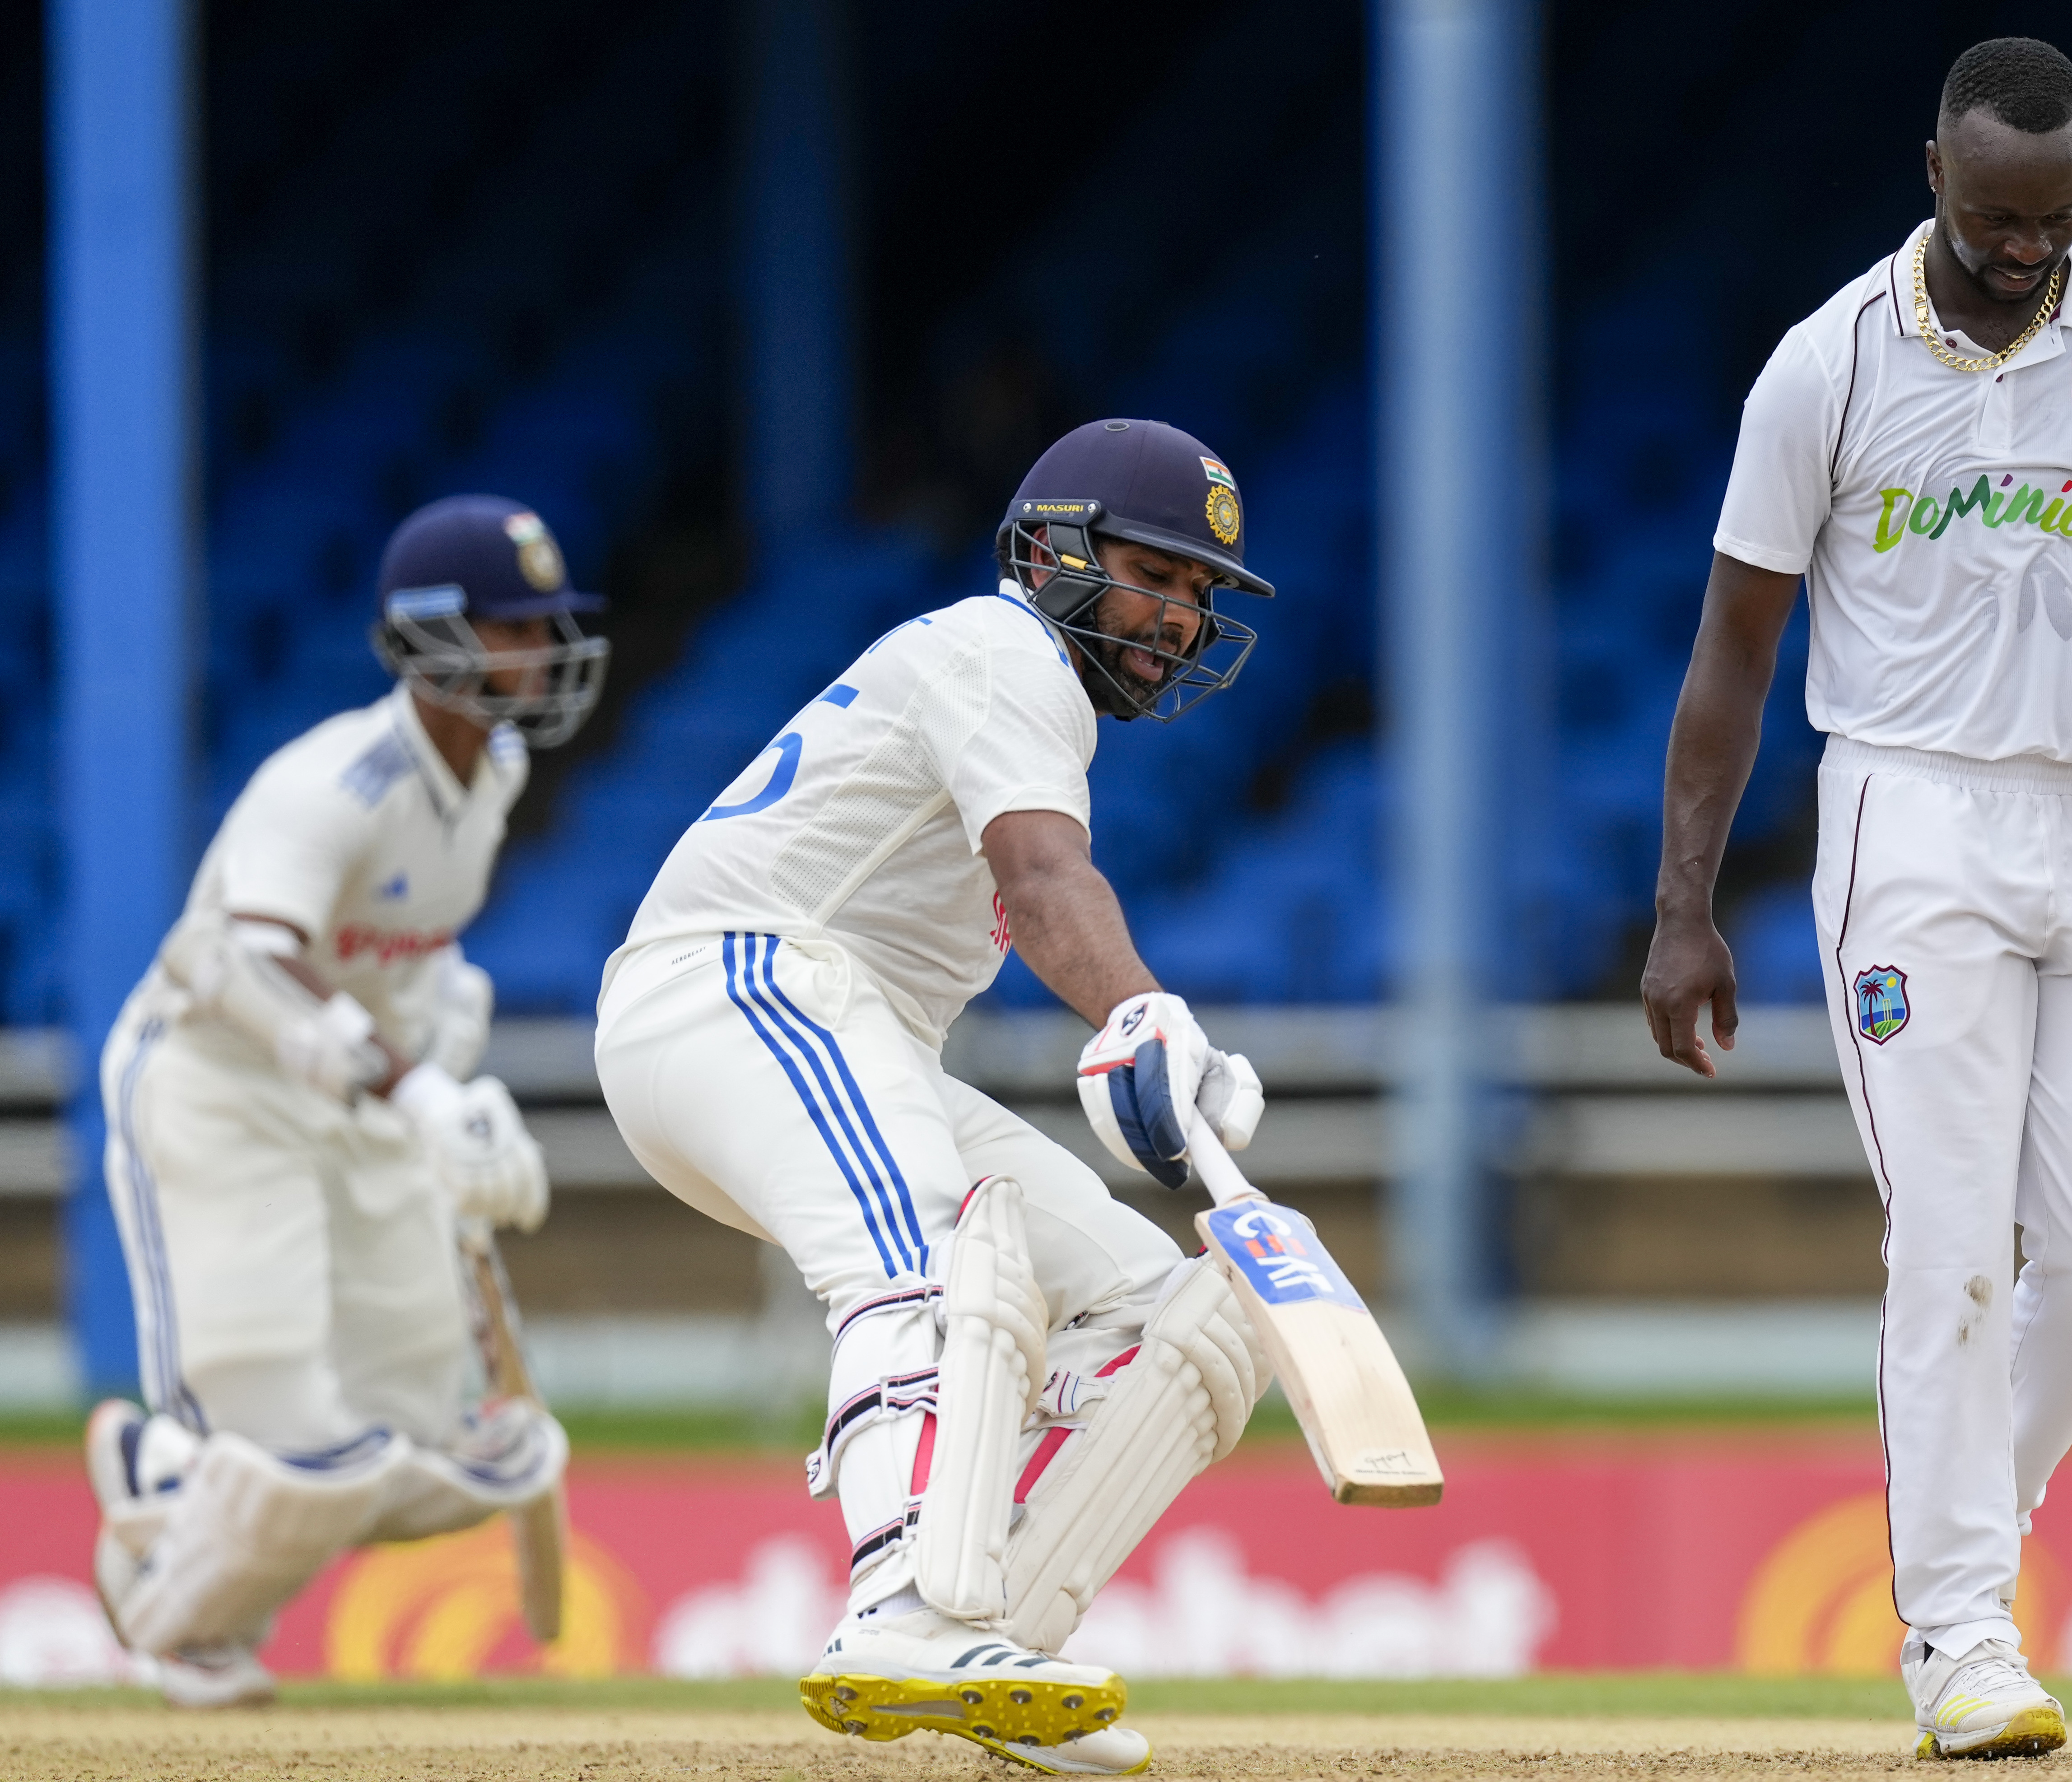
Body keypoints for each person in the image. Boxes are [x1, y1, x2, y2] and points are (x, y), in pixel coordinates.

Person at [1640, 37, 2072, 1759]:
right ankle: (1961, 1630)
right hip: (1907, 820)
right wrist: (1684, 903)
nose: (2025, 246)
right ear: (1932, 169)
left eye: (2055, 214)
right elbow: (1729, 656)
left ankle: (1968, 1525)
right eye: (1995, 213)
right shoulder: (1819, 370)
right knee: (1952, 1239)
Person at [596, 418, 1275, 1776]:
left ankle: (990, 1630)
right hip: (739, 987)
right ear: (1055, 550)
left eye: (1203, 595)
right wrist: (1142, 1007)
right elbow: (1041, 876)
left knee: (1181, 1315)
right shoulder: (1000, 648)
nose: (1183, 616)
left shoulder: (1033, 697)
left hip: (838, 1036)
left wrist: (1152, 1029)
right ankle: (901, 1604)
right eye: (1159, 572)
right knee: (921, 1254)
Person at [85, 495, 610, 1706]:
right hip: (218, 1086)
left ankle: (174, 1481)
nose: (538, 654)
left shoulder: (499, 769)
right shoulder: (330, 782)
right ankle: (178, 1588)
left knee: (439, 1450)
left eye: (544, 627)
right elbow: (239, 963)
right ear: (429, 637)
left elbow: (410, 951)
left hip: (360, 1091)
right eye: (510, 628)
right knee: (303, 1459)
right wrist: (417, 1085)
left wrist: (457, 1087)